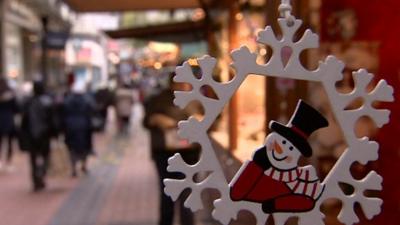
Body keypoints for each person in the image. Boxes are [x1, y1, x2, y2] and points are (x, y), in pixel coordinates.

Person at [143, 73, 201, 225]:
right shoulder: (158, 99)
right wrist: (156, 119)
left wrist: (201, 121)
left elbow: (211, 122)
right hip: (164, 154)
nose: (186, 86)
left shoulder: (195, 99)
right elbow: (146, 121)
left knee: (187, 195)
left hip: (190, 154)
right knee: (167, 193)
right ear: (173, 83)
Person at [20, 80, 56, 191]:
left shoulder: (28, 102)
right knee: (45, 156)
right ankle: (40, 174)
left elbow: (24, 120)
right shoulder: (47, 101)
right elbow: (52, 120)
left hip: (32, 134)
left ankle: (36, 178)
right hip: (44, 134)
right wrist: (54, 133)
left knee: (33, 158)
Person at [62, 81, 95, 177]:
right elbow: (92, 108)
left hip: (71, 126)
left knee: (72, 148)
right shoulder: (86, 99)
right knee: (84, 147)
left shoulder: (68, 100)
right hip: (84, 126)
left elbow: (63, 111)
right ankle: (83, 165)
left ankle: (73, 168)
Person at [0, 78, 17, 170]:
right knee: (10, 143)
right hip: (9, 120)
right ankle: (8, 162)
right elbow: (16, 108)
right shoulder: (10, 95)